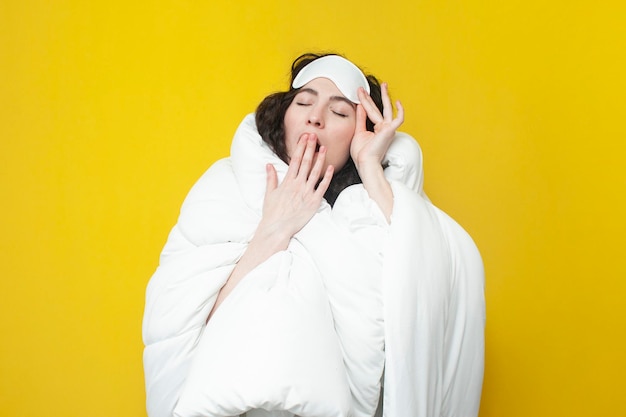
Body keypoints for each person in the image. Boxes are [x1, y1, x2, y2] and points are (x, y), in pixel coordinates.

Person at [143, 53, 485, 417]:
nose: (315, 116)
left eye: (339, 113)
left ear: (360, 130)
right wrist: (275, 229)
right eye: (304, 102)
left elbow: (414, 295)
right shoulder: (225, 187)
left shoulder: (369, 209)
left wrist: (369, 165)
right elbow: (181, 324)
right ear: (283, 116)